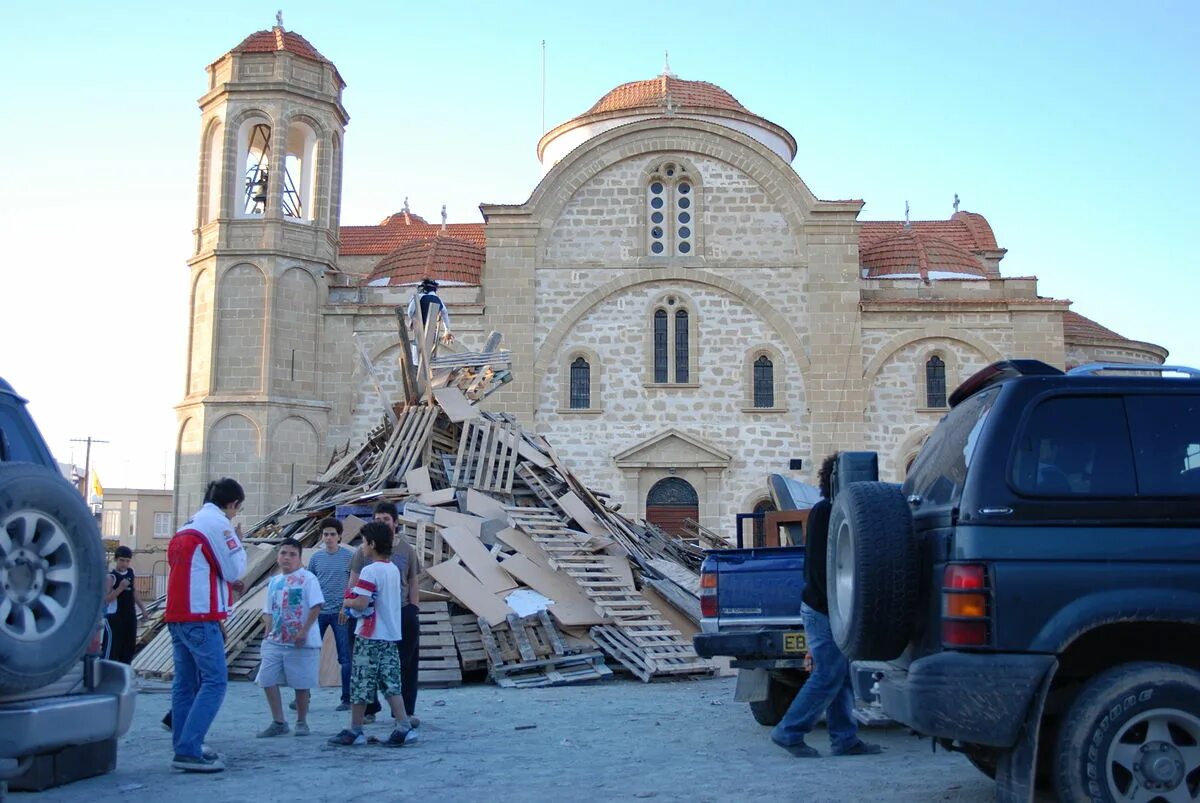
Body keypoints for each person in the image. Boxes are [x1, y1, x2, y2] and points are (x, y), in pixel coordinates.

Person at [771, 454, 882, 759]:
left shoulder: (837, 511)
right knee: (828, 674)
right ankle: (789, 731)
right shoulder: (826, 512)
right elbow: (823, 568)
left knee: (840, 674)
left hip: (831, 608)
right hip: (824, 609)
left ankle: (845, 739)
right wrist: (835, 609)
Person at [164, 478, 248, 772]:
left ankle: (184, 744)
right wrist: (238, 540)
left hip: (177, 613)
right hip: (199, 615)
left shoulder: (188, 524)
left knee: (185, 683)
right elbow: (235, 567)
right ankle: (189, 748)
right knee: (214, 681)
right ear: (233, 504)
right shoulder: (219, 525)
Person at [329, 522, 414, 747]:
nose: (362, 546)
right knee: (390, 683)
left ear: (372, 544)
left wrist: (346, 601)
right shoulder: (393, 569)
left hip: (369, 635)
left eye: (364, 542)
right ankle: (404, 726)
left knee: (360, 683)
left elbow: (361, 602)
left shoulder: (370, 570)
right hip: (389, 635)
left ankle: (355, 729)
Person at [347, 502, 422, 728]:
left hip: (377, 626)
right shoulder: (382, 564)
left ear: (395, 523)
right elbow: (354, 580)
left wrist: (413, 608)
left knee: (366, 676)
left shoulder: (400, 554)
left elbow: (412, 581)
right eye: (377, 520)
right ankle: (398, 722)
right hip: (383, 626)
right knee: (387, 677)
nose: (381, 523)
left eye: (385, 520)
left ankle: (357, 729)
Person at [257, 538, 323, 738]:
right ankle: (278, 721)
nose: (287, 558)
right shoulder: (274, 581)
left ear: (299, 558)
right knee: (266, 679)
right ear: (278, 556)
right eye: (283, 553)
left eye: (292, 554)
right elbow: (269, 609)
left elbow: (316, 606)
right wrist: (267, 630)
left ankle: (301, 721)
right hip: (275, 640)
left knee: (301, 683)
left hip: (300, 641)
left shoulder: (308, 578)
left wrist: (303, 631)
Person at [306, 517, 354, 711]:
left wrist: (347, 607)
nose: (329, 538)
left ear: (340, 536)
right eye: (326, 534)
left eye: (333, 534)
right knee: (309, 654)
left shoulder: (348, 557)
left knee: (345, 657)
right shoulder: (315, 559)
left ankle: (347, 699)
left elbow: (354, 584)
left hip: (340, 613)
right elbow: (310, 585)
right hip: (319, 612)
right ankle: (304, 696)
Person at [104, 545, 146, 664]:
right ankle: (107, 674)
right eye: (122, 560)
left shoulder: (130, 573)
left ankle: (123, 672)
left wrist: (142, 609)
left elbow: (133, 591)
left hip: (130, 616)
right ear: (116, 559)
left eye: (127, 561)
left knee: (128, 648)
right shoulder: (111, 577)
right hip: (115, 617)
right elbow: (106, 599)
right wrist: (120, 588)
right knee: (113, 649)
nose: (124, 564)